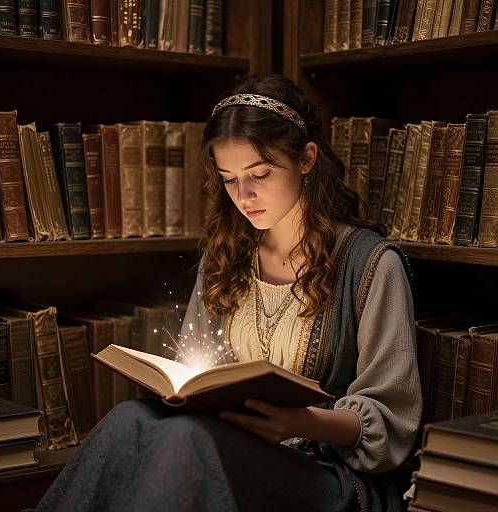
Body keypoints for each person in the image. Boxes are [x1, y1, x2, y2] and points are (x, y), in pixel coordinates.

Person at [35, 74, 421, 512]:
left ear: (307, 159)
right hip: (225, 444)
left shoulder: (370, 264)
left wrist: (299, 422)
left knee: (185, 439)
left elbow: (393, 425)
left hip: (321, 469)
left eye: (260, 174)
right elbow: (194, 370)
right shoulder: (226, 256)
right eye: (229, 178)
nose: (245, 195)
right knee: (129, 419)